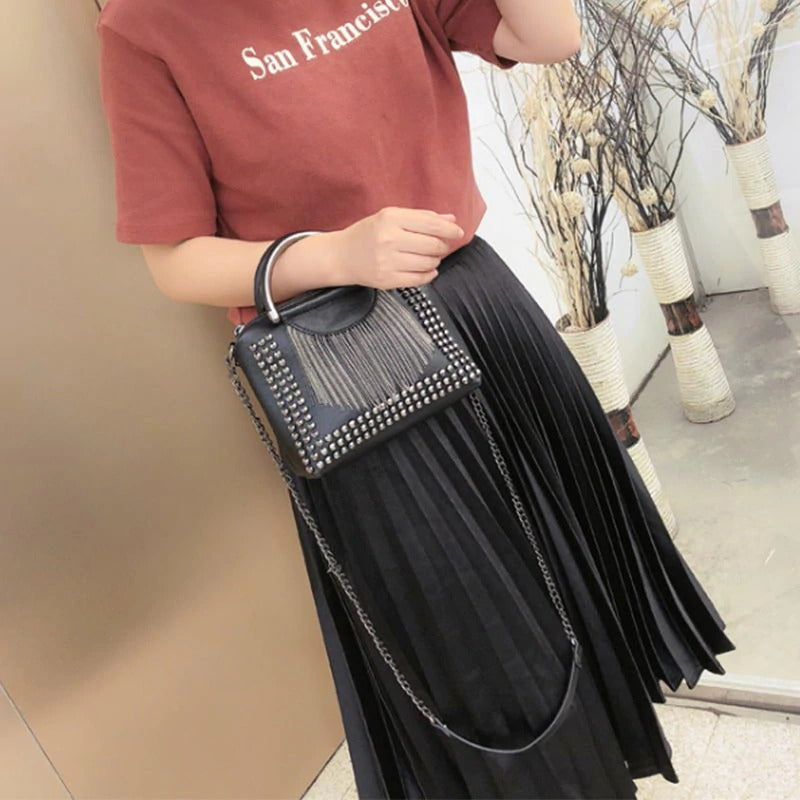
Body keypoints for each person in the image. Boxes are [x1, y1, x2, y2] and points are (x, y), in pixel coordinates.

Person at [95, 1, 735, 797]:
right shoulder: (145, 28)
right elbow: (175, 260)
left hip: (477, 306)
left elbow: (550, 35)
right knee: (473, 639)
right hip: (346, 356)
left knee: (569, 579)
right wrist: (331, 254)